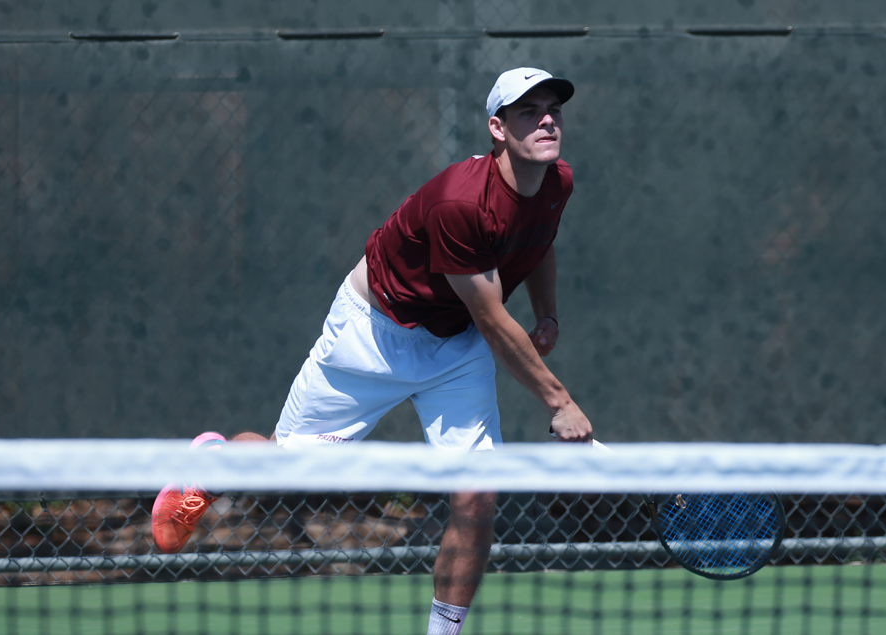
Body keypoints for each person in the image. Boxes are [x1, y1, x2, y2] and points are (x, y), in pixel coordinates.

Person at [151, 67, 594, 635]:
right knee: (285, 474)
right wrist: (558, 401)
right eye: (529, 111)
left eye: (554, 107)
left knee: (479, 492)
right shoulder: (461, 203)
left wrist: (548, 312)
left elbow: (539, 241)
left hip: (454, 346)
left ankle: (444, 631)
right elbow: (490, 317)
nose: (548, 119)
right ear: (498, 128)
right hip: (374, 335)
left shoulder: (557, 182)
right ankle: (211, 465)